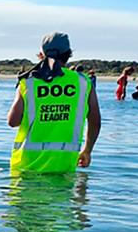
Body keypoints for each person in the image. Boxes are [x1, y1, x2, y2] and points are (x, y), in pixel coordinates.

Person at [7, 32, 101, 174]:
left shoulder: (29, 82)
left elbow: (13, 121)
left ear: (41, 54)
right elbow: (95, 121)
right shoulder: (83, 82)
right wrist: (87, 150)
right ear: (68, 54)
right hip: (63, 167)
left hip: (25, 167)